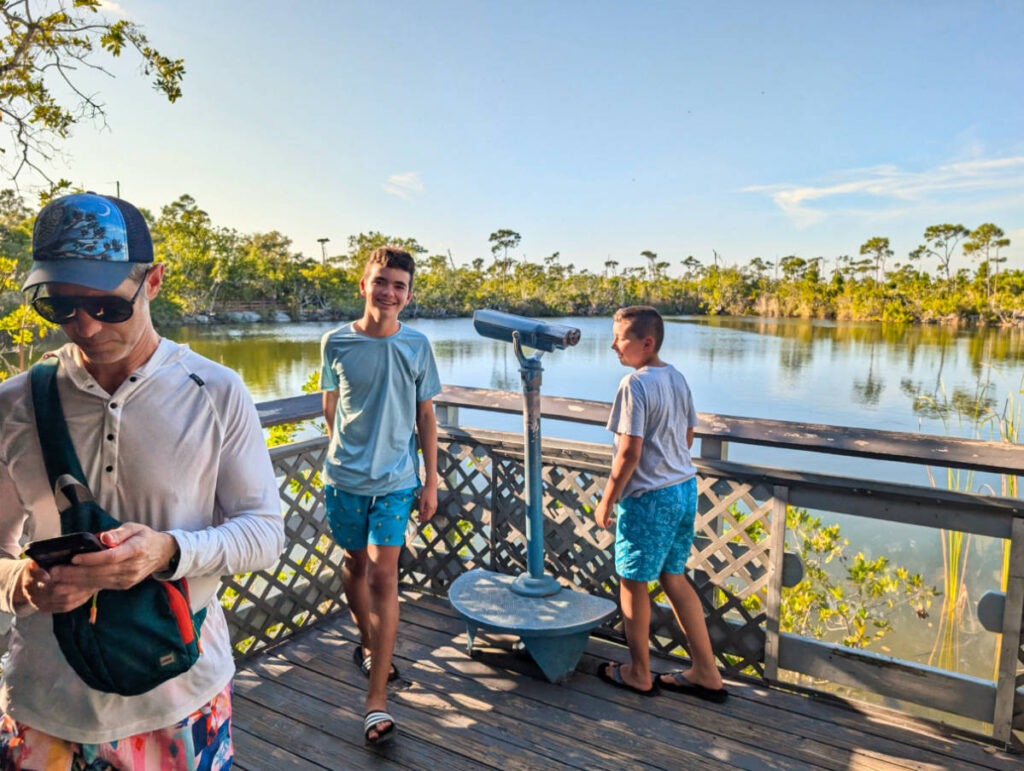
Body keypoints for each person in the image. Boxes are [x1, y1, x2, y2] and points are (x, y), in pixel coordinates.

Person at [0, 192, 285, 768]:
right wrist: (20, 586)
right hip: (44, 703)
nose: (82, 324)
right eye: (58, 305)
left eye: (105, 303)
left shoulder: (216, 391)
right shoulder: (13, 405)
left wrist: (168, 552)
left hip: (184, 695)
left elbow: (265, 534)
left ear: (152, 282)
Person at [319, 246, 440, 744]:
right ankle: (369, 643)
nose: (389, 292)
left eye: (399, 285)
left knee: (385, 575)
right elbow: (331, 407)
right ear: (363, 284)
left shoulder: (417, 346)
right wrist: (347, 454)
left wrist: (431, 479)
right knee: (354, 566)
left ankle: (376, 701)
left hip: (396, 481)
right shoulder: (336, 343)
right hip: (345, 480)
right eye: (381, 281)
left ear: (408, 295)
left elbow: (426, 416)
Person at [593, 306, 727, 702]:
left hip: (649, 496)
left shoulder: (634, 384)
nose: (613, 345)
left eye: (620, 338)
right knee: (673, 577)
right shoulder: (677, 377)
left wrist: (607, 499)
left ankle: (638, 672)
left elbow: (628, 452)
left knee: (633, 583)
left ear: (646, 343)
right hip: (683, 489)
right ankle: (706, 671)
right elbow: (687, 436)